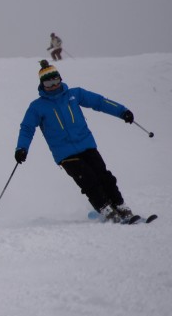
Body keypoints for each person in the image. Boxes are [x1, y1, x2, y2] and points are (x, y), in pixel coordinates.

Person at [14, 60, 136, 223]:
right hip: (65, 153)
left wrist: (122, 112)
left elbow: (99, 102)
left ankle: (121, 206)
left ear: (60, 79)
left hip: (86, 144)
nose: (53, 85)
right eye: (48, 82)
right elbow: (27, 128)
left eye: (55, 80)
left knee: (104, 176)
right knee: (88, 179)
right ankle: (106, 210)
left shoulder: (75, 94)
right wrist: (22, 148)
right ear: (42, 85)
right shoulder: (37, 107)